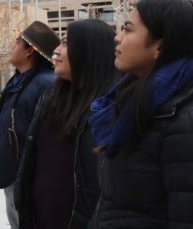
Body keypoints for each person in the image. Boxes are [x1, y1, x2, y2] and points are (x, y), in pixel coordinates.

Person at [89, 0, 193, 228]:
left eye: (127, 29)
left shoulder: (189, 122)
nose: (117, 37)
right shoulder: (132, 101)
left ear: (160, 46)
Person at [14, 19, 120, 229]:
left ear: (89, 51)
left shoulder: (111, 109)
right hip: (39, 217)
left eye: (65, 43)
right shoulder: (51, 96)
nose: (56, 50)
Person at [0, 21, 60, 228]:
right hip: (14, 171)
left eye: (17, 42)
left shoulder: (46, 84)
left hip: (28, 175)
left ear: (29, 52)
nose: (12, 46)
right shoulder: (20, 80)